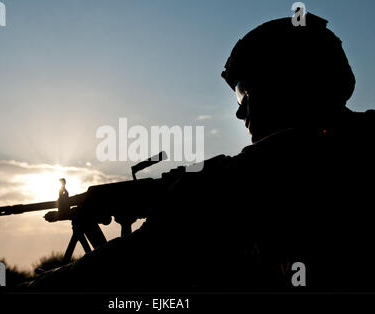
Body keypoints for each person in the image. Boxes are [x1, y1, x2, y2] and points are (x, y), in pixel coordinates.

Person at [23, 13, 375, 292]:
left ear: (282, 85)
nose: (240, 111)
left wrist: (36, 288)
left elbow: (142, 259)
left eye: (243, 92)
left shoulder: (268, 167)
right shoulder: (352, 141)